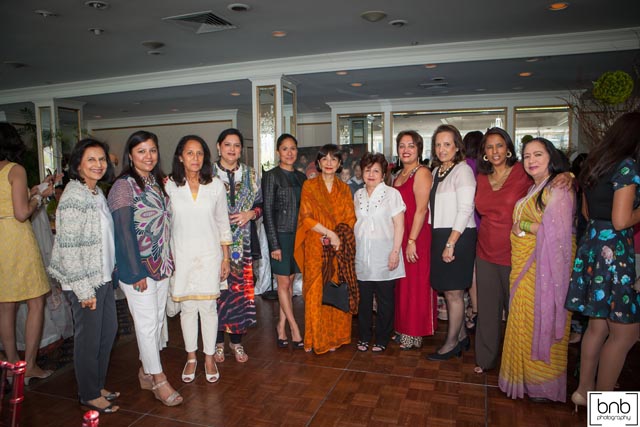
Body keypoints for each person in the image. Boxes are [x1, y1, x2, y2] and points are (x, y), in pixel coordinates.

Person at [565, 112, 640, 410]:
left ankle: (583, 391)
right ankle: (607, 409)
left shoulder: (594, 165)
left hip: (593, 245)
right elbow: (621, 221)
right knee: (626, 333)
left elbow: (586, 213)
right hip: (615, 253)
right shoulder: (627, 167)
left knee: (598, 327)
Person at [107, 130, 182, 407]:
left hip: (161, 265)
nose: (148, 156)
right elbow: (123, 232)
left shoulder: (156, 183)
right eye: (141, 151)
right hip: (137, 270)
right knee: (148, 325)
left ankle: (144, 372)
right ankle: (159, 379)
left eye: (152, 150)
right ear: (130, 155)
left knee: (159, 323)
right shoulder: (124, 186)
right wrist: (134, 272)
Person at [499, 137, 575, 402]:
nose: (531, 160)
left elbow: (559, 235)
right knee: (522, 320)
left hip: (543, 270)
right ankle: (525, 378)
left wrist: (524, 226)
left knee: (540, 320)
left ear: (551, 158)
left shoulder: (559, 188)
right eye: (527, 156)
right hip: (524, 266)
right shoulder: (537, 187)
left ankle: (543, 384)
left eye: (538, 155)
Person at [48, 139, 119, 413]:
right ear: (78, 164)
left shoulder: (95, 192)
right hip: (84, 282)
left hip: (101, 276)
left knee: (107, 332)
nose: (98, 165)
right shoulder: (73, 196)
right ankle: (88, 393)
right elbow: (68, 248)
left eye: (102, 159)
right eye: (91, 159)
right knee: (89, 338)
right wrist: (83, 290)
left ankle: (97, 384)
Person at [166, 135, 232, 383]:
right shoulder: (169, 186)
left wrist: (225, 258)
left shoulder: (214, 185)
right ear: (180, 156)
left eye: (200, 153)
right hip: (181, 255)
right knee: (188, 309)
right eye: (190, 153)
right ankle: (191, 356)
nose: (195, 158)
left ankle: (209, 357)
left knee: (208, 307)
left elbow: (222, 223)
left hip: (209, 254)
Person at [0, 122, 54, 384]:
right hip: (16, 238)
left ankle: (12, 364)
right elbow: (22, 213)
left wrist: (32, 191)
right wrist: (40, 197)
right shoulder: (15, 169)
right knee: (36, 301)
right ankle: (29, 365)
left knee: (5, 305)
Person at [473, 128, 529, 373]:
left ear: (508, 148)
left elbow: (551, 179)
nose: (495, 151)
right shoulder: (480, 178)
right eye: (489, 147)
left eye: (499, 145)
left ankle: (517, 364)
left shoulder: (522, 172)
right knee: (487, 310)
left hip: (515, 252)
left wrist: (567, 175)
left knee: (517, 311)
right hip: (485, 251)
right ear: (484, 152)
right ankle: (485, 360)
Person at [294, 144, 356, 354]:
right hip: (315, 247)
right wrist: (330, 234)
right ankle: (315, 338)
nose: (329, 163)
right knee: (314, 293)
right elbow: (306, 217)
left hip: (338, 250)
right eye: (325, 159)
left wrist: (338, 237)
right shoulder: (309, 186)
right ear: (319, 163)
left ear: (339, 164)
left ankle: (336, 337)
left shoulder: (345, 189)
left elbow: (349, 219)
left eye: (334, 159)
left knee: (336, 290)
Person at [212, 128, 262, 363]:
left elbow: (261, 205)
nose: (232, 149)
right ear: (219, 147)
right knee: (218, 294)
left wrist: (251, 213)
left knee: (240, 294)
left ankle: (237, 343)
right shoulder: (207, 174)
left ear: (242, 149)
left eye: (237, 145)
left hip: (243, 247)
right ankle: (217, 343)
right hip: (214, 246)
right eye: (227, 145)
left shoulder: (251, 175)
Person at [427, 124, 477, 361]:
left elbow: (466, 209)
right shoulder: (437, 171)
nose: (442, 148)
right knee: (448, 290)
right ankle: (463, 336)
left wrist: (451, 242)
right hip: (440, 234)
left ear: (457, 146)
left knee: (454, 292)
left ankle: (451, 343)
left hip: (458, 235)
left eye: (447, 144)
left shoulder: (463, 171)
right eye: (438, 144)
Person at [354, 153, 405, 352]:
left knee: (385, 300)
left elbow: (399, 226)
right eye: (368, 170)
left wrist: (395, 252)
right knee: (364, 301)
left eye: (376, 170)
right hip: (363, 256)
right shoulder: (357, 195)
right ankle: (364, 336)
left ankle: (382, 337)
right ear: (362, 173)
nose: (371, 174)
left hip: (385, 254)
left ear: (383, 174)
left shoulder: (392, 194)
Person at [392, 130, 437, 350]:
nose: (406, 149)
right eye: (402, 145)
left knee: (417, 283)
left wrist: (411, 240)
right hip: (400, 234)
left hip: (416, 234)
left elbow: (421, 210)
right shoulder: (397, 174)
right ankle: (402, 327)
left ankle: (415, 331)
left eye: (411, 145)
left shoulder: (422, 173)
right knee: (402, 283)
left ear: (419, 148)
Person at [262, 133, 306, 349]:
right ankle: (294, 328)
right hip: (280, 235)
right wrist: (274, 245)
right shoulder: (271, 176)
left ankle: (281, 327)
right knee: (284, 284)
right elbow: (268, 212)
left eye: (293, 148)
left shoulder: (301, 177)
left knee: (288, 284)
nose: (290, 152)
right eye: (285, 148)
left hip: (298, 236)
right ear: (278, 152)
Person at [462, 130, 483, 332]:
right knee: (478, 270)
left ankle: (475, 310)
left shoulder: (465, 165)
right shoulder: (484, 167)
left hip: (468, 223)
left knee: (473, 272)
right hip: (481, 221)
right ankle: (477, 310)